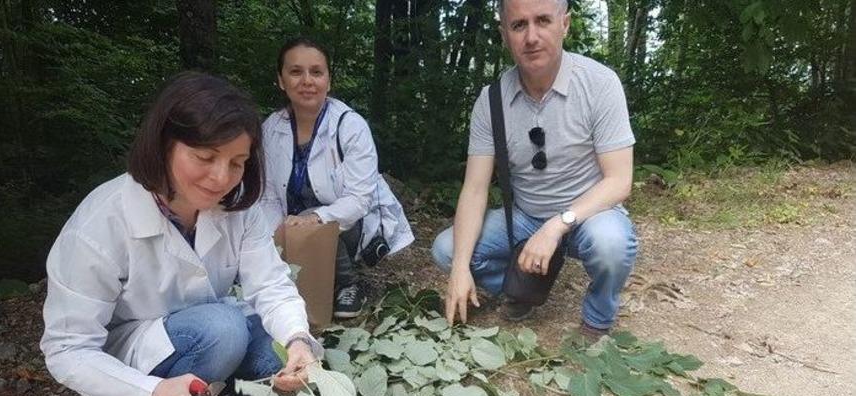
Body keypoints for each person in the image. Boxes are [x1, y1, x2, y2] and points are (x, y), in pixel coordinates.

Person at [40, 72, 322, 396]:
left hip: (208, 324)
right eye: (205, 157)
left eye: (237, 163)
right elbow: (66, 348)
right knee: (223, 329)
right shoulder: (101, 223)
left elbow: (271, 284)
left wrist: (298, 341)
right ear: (163, 144)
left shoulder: (238, 210)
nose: (221, 178)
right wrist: (150, 392)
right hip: (141, 348)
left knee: (277, 352)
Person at [431, 0, 638, 337]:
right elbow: (475, 189)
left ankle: (597, 319)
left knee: (612, 245)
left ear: (565, 24)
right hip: (525, 217)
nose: (531, 37)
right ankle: (520, 288)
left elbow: (619, 181)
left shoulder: (600, 83)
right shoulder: (491, 100)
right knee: (447, 250)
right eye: (518, 25)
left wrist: (556, 226)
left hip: (588, 215)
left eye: (543, 20)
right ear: (504, 34)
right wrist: (459, 269)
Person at [262, 37, 413, 319]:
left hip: (351, 225)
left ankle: (348, 283)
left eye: (316, 72)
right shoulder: (271, 128)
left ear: (328, 81)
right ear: (281, 80)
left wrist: (312, 219)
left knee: (313, 216)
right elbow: (268, 195)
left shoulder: (350, 126)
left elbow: (358, 200)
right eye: (295, 72)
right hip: (293, 227)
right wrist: (277, 235)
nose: (307, 81)